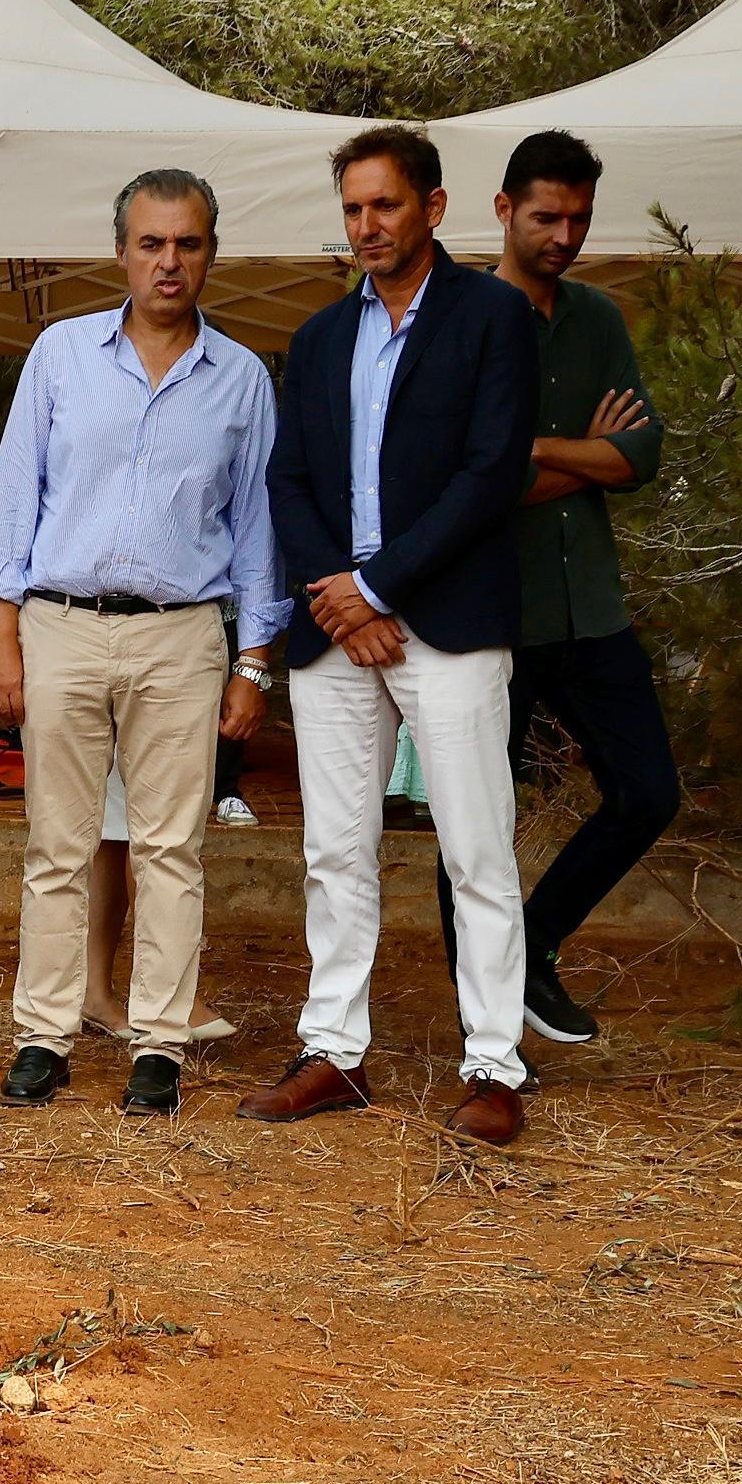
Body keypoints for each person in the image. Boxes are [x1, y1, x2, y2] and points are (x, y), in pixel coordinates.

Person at [244, 124, 540, 1145]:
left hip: (447, 626)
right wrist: (338, 597)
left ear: (433, 209)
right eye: (353, 209)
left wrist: (378, 586)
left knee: (475, 850)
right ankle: (334, 1050)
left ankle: (496, 1064)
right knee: (334, 849)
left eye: (385, 205)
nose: (367, 226)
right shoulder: (323, 336)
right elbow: (290, 479)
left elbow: (492, 474)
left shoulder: (493, 317)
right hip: (338, 633)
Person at [0, 168, 283, 1116]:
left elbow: (260, 526)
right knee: (57, 847)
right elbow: (14, 494)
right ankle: (44, 1038)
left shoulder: (241, 381)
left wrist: (255, 658)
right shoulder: (61, 355)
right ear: (121, 253)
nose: (169, 262)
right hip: (63, 625)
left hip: (183, 637)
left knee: (171, 849)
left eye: (187, 244)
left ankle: (159, 1045)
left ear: (211, 255)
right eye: (151, 244)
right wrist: (0, 633)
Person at [425, 132, 674, 1045]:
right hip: (493, 614)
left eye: (579, 218)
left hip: (590, 605)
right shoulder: (458, 320)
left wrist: (532, 447)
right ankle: (479, 1019)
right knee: (477, 821)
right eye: (546, 217)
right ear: (502, 210)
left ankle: (530, 948)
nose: (566, 234)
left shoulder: (598, 318)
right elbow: (466, 481)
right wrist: (581, 456)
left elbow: (641, 454)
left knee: (648, 792)